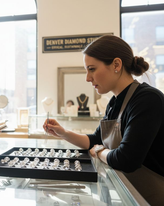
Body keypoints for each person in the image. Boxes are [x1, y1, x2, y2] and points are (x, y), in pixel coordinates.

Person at [44, 35, 164, 205]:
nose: (87, 78)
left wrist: (100, 152)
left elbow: (126, 159)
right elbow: (95, 140)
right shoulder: (114, 103)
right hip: (130, 194)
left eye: (92, 69)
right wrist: (63, 133)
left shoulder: (148, 99)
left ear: (116, 65)